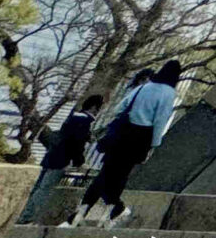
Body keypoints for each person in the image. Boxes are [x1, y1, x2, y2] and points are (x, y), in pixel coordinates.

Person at [73, 62, 183, 227]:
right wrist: (154, 144)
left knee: (105, 172)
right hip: (141, 137)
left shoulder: (144, 87)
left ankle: (82, 211)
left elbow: (120, 108)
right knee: (121, 176)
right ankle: (112, 211)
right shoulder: (169, 93)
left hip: (122, 133)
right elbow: (160, 120)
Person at [20, 92, 104, 224]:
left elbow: (70, 136)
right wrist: (80, 162)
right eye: (99, 108)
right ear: (94, 107)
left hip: (51, 156)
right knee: (44, 189)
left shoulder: (73, 117)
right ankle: (26, 218)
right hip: (61, 160)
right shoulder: (85, 121)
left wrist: (87, 136)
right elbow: (77, 143)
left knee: (37, 187)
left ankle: (21, 214)